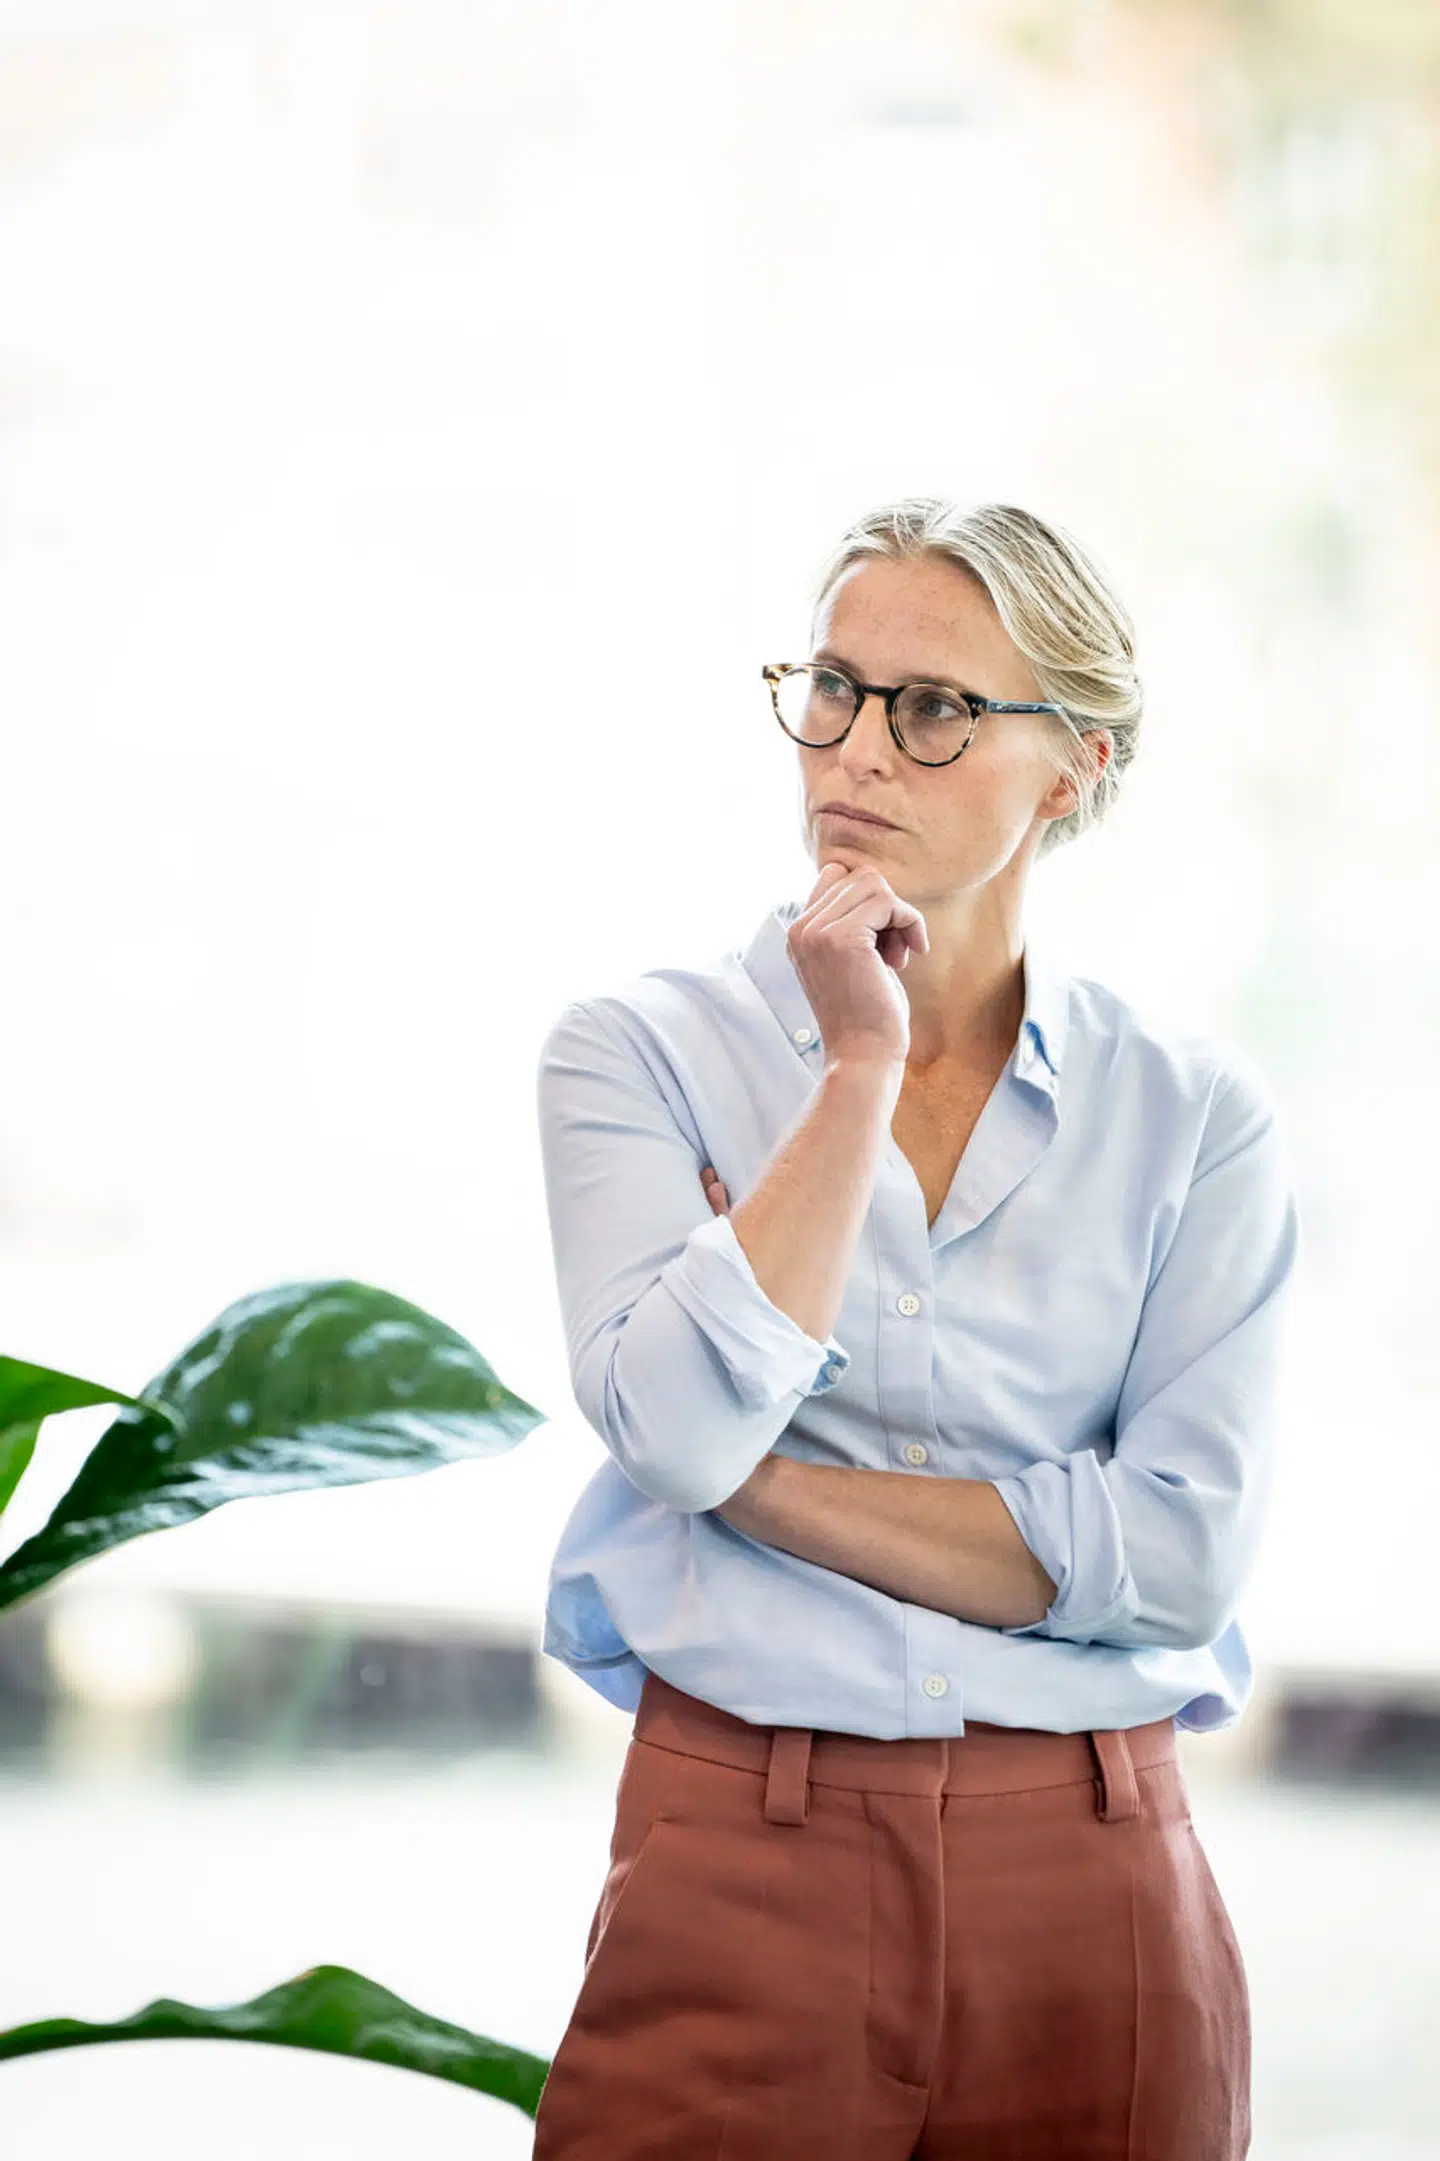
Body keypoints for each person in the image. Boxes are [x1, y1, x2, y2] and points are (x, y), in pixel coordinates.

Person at [530, 497, 1301, 2159]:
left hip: (1095, 1872)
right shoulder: (636, 1053)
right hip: (743, 1845)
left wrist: (762, 1488)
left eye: (935, 707)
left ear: (1074, 766)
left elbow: (1179, 1560)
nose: (857, 749)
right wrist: (858, 1070)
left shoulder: (1193, 1117)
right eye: (833, 687)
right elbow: (674, 1427)